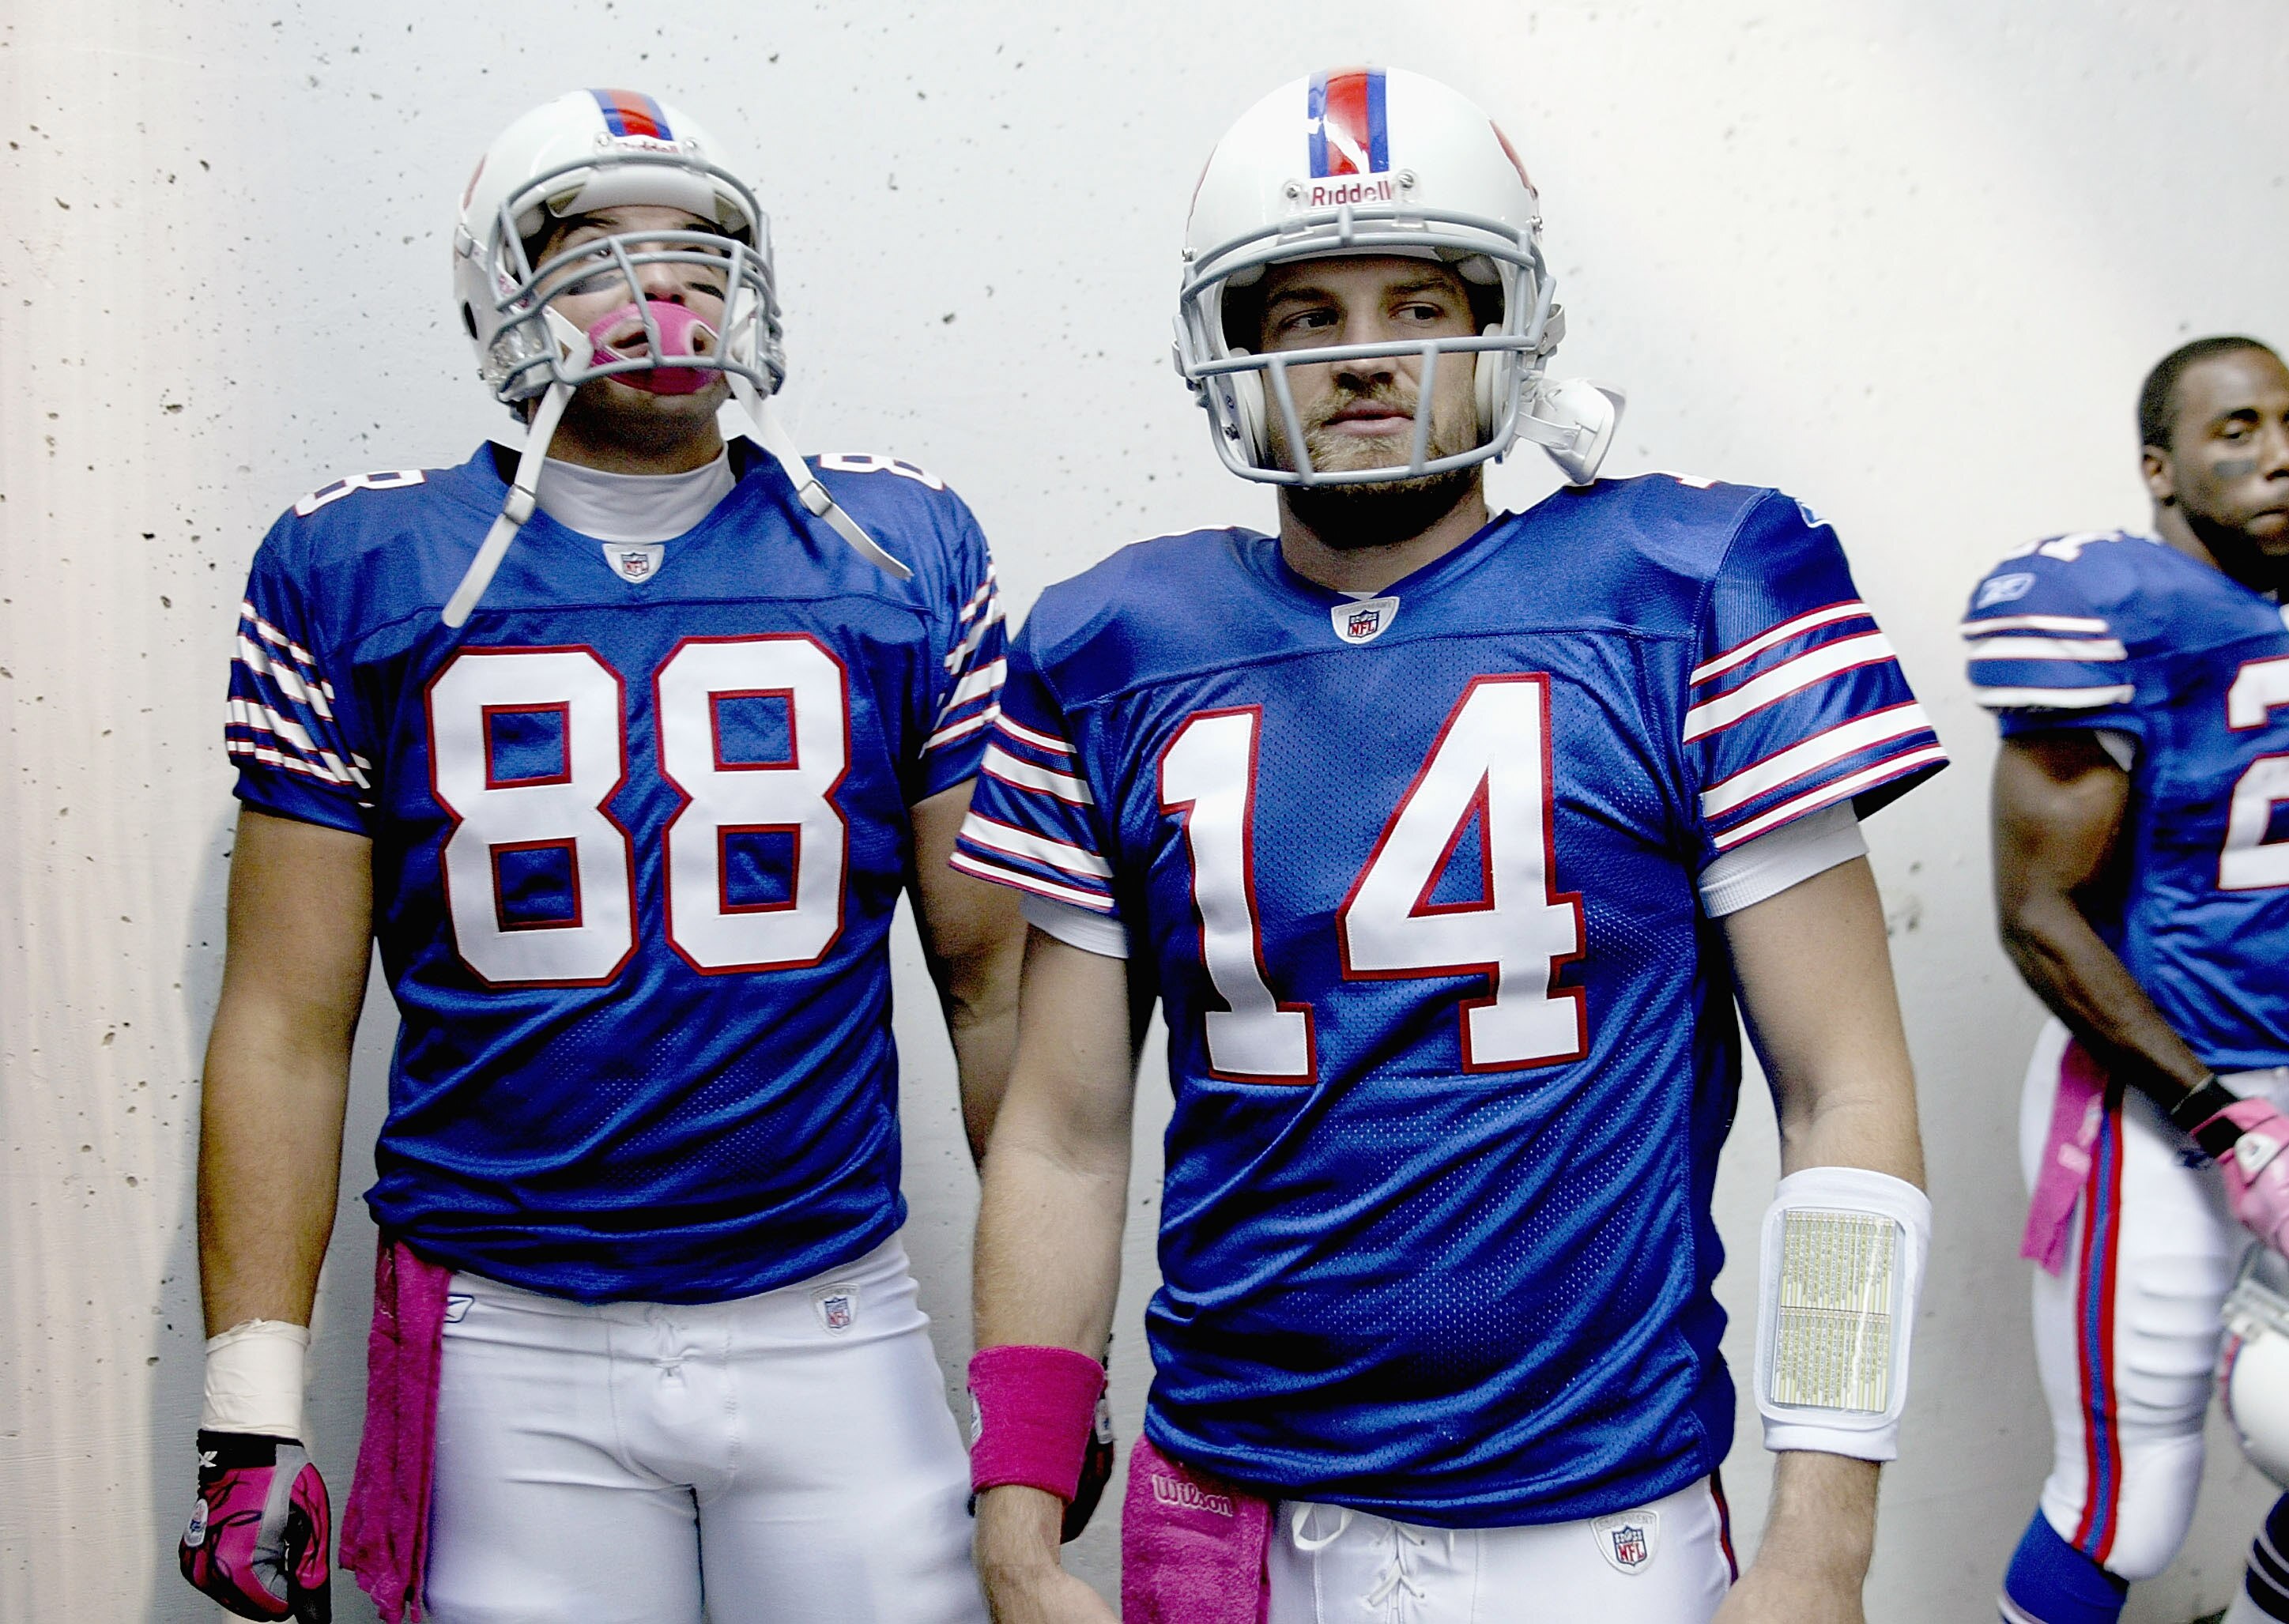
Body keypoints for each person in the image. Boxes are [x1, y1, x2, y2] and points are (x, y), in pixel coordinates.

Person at [955, 68, 1944, 1624]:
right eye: (1308, 318)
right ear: (1237, 353)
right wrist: (1016, 1526)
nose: (1366, 357)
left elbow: (1846, 1091)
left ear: (1509, 327)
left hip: (1592, 1522)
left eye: (1418, 302)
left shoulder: (1687, 584)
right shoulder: (1116, 643)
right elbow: (1063, 1129)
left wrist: (1823, 1535)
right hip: (1225, 1519)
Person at [175, 87, 1014, 1624]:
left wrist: (1041, 1362)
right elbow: (289, 1018)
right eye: (599, 252)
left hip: (834, 1308)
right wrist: (252, 1405)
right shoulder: (358, 564)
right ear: (504, 295)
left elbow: (998, 991)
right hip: (507, 1336)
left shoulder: (900, 551)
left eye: (695, 249)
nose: (660, 286)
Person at [1970, 335, 2289, 1624]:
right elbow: (2038, 917)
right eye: (2238, 429)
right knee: (2127, 1501)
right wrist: (2220, 1123)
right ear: (2161, 467)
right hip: (2148, 1114)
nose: (2283, 454)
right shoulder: (2112, 614)